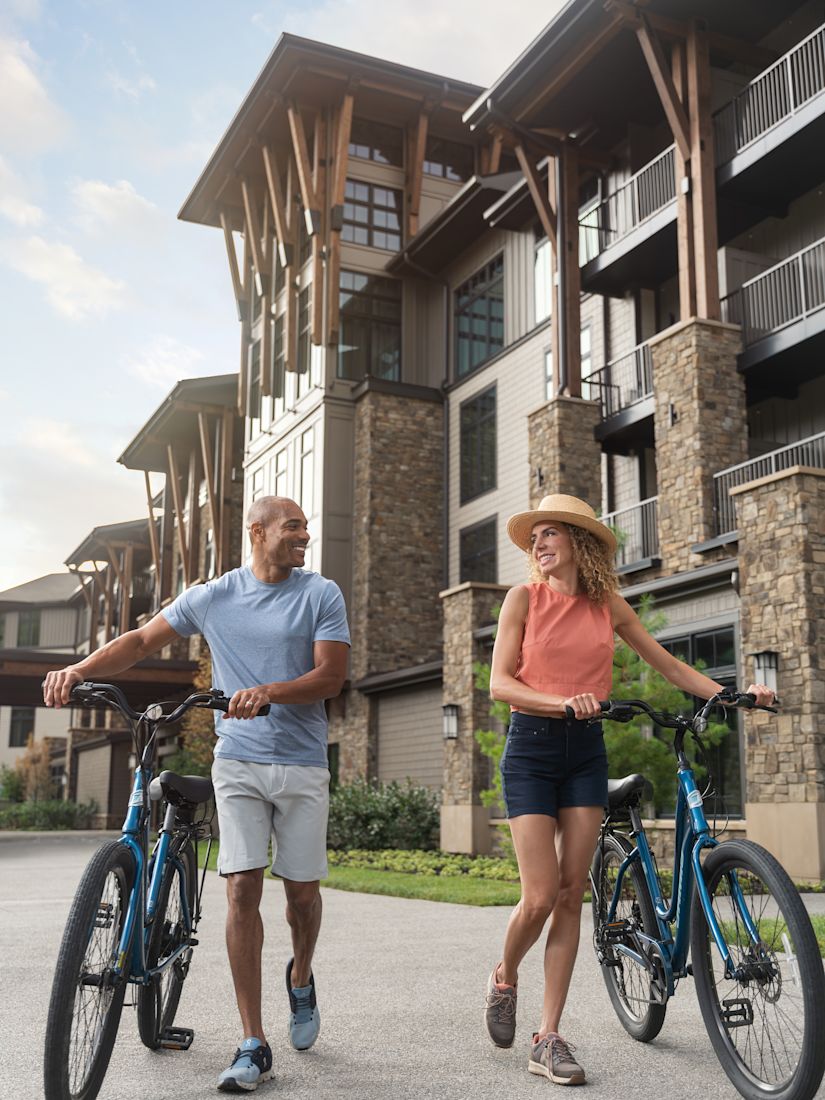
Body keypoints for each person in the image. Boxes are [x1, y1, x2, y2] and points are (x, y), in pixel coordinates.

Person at [43, 496, 350, 1094]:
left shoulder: (321, 594)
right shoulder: (213, 595)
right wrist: (79, 671)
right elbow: (138, 640)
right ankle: (253, 1042)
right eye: (294, 527)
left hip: (301, 764)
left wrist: (270, 691)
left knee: (303, 899)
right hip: (237, 758)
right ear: (257, 532)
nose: (304, 536)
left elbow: (331, 676)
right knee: (241, 888)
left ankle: (302, 976)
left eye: (306, 528)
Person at [483, 493, 774, 1085]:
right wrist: (562, 701)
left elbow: (668, 665)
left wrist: (730, 694)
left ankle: (549, 1037)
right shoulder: (523, 599)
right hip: (532, 750)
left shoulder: (606, 605)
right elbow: (500, 684)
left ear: (578, 542)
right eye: (533, 538)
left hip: (585, 749)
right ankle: (503, 976)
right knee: (538, 896)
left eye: (549, 536)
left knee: (571, 894)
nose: (538, 547)